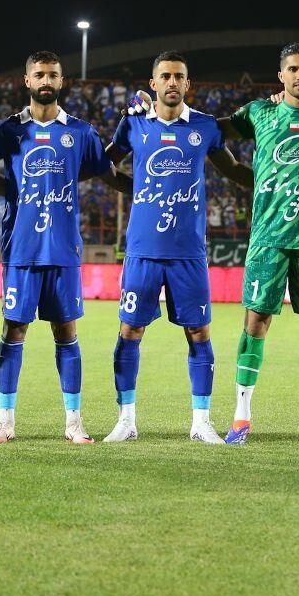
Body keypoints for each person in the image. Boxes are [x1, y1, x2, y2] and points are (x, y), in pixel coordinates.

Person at [202, 42, 299, 445]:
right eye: (292, 69)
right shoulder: (261, 112)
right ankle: (241, 418)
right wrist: (162, 113)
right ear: (281, 75)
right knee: (255, 323)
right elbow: (211, 131)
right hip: (268, 239)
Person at [101, 51, 253, 444]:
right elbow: (104, 165)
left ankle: (201, 421)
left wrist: (275, 181)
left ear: (188, 84)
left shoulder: (204, 126)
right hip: (143, 250)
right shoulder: (134, 123)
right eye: (165, 76)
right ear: (153, 83)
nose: (172, 82)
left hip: (188, 252)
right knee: (130, 330)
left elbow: (234, 170)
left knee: (199, 332)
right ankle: (126, 419)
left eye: (178, 76)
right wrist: (135, 188)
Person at [0, 51, 123, 444]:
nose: (46, 80)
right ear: (27, 80)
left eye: (52, 75)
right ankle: (5, 421)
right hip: (21, 248)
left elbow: (106, 168)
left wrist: (134, 137)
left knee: (66, 330)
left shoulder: (80, 132)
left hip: (62, 249)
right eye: (39, 74)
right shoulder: (7, 129)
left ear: (61, 81)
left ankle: (73, 421)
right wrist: (8, 190)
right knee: (14, 328)